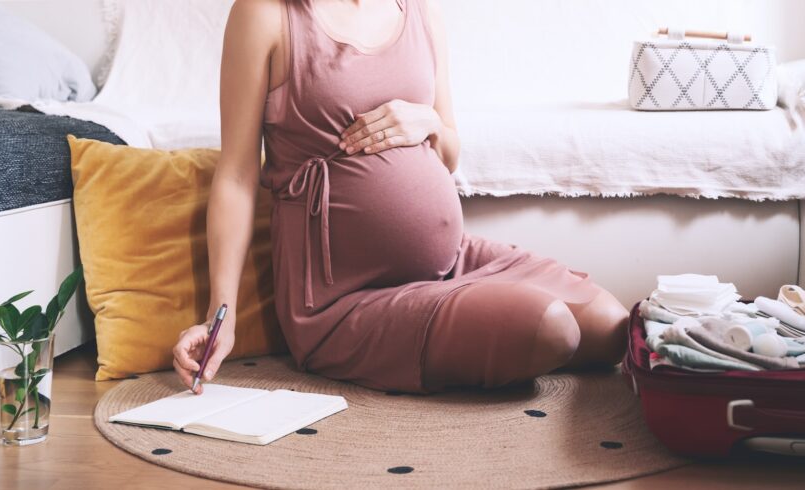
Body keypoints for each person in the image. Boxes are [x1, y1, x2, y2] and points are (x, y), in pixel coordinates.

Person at [173, 0, 629, 394]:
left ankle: (480, 328)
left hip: (451, 263)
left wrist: (428, 121)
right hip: (341, 301)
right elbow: (236, 175)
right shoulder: (266, 15)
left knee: (611, 327)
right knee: (552, 329)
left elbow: (449, 151)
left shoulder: (420, 10)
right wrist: (222, 313)